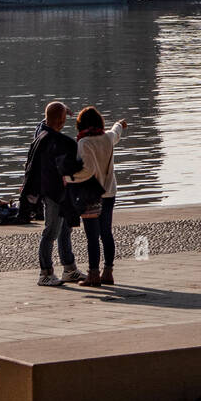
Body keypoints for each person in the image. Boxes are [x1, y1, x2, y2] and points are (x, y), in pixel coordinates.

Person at [20, 101, 84, 286]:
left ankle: (69, 269)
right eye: (63, 118)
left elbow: (46, 121)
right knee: (51, 231)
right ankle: (45, 273)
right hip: (56, 194)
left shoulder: (40, 135)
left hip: (50, 192)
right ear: (62, 120)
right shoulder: (62, 143)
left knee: (64, 230)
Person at [62, 107, 127, 287]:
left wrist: (67, 177)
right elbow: (116, 133)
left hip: (90, 194)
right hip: (109, 192)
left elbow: (87, 170)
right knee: (106, 233)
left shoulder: (84, 143)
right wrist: (119, 124)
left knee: (92, 236)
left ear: (80, 124)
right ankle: (108, 271)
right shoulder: (107, 138)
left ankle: (93, 274)